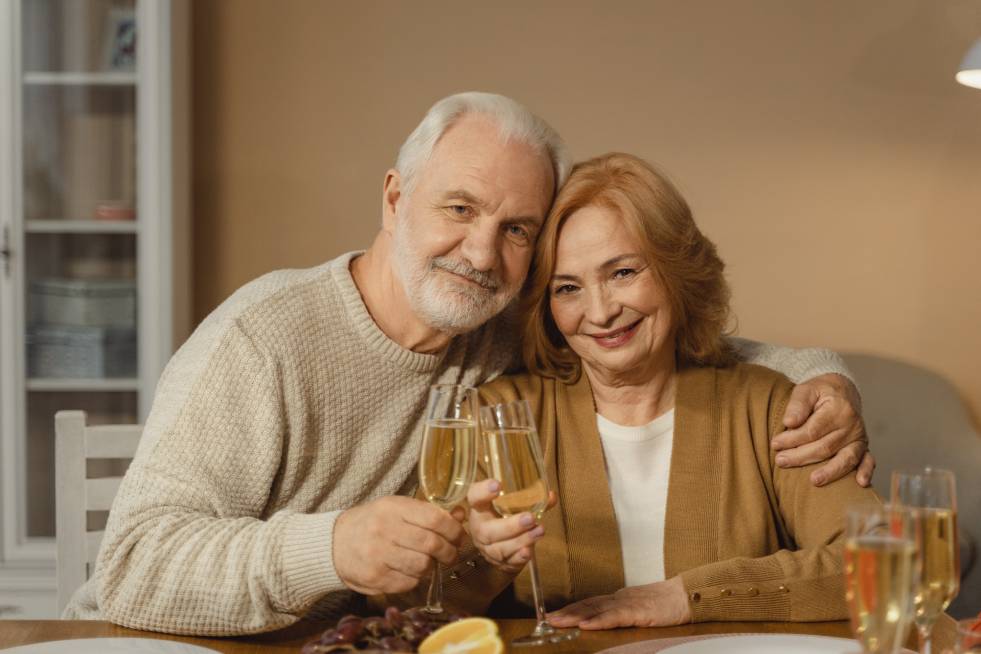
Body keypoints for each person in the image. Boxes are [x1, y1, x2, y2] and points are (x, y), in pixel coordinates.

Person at [65, 93, 870, 636]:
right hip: (163, 640)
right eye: (459, 208)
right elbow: (134, 567)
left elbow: (686, 350)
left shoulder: (497, 329)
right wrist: (331, 549)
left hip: (359, 644)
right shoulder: (263, 339)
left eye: (518, 228)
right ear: (392, 200)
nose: (482, 252)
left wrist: (827, 377)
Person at [459, 152, 879, 627]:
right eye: (567, 288)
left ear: (676, 271)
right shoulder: (497, 416)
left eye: (622, 273)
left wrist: (689, 597)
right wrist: (483, 561)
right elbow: (413, 602)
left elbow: (879, 565)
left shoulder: (772, 408)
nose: (599, 313)